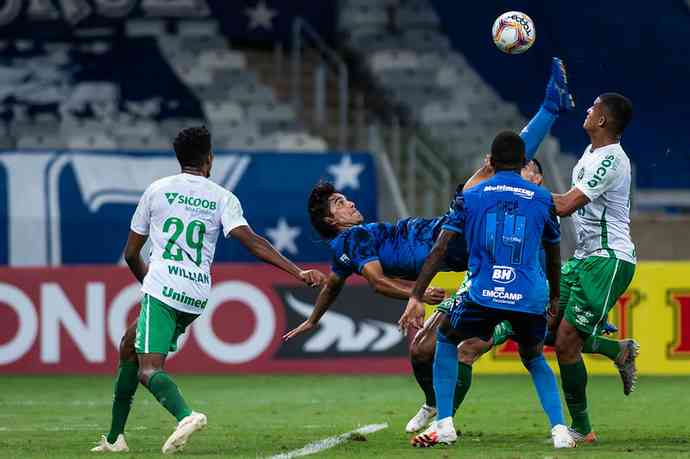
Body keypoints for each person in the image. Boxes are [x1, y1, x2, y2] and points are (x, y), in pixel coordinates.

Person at [90, 126, 326, 453]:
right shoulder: (222, 197)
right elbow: (254, 243)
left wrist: (152, 285)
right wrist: (298, 272)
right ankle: (115, 439)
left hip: (163, 288)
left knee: (149, 369)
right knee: (129, 345)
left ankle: (186, 415)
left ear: (179, 158)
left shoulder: (156, 191)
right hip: (197, 295)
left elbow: (131, 253)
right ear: (209, 159)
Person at [401, 131, 575, 449]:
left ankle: (445, 424)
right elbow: (553, 253)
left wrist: (416, 294)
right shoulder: (543, 199)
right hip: (529, 294)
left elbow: (440, 248)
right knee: (534, 357)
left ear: (491, 163)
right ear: (524, 163)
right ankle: (560, 430)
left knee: (447, 338)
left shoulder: (470, 197)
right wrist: (552, 296)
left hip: (483, 293)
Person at [549, 93, 638, 443]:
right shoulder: (590, 154)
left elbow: (568, 204)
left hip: (607, 259)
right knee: (547, 329)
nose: (587, 110)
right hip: (584, 259)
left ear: (602, 120)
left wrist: (519, 191)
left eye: (593, 107)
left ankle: (583, 429)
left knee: (567, 342)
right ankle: (619, 350)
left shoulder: (611, 159)